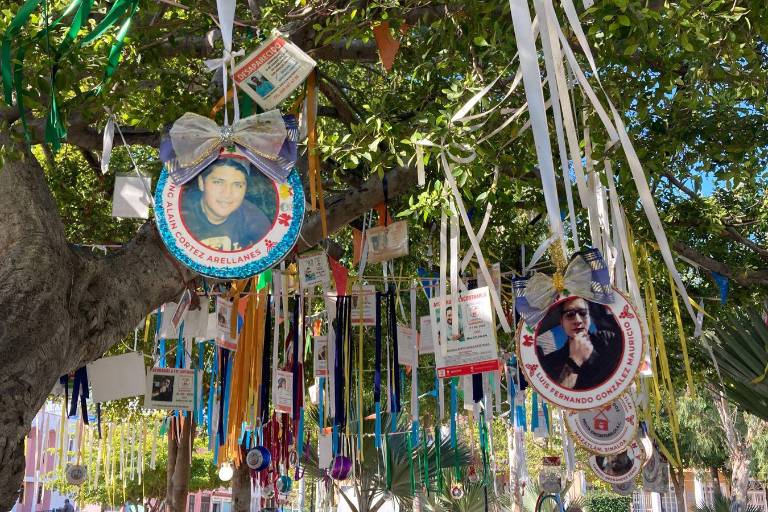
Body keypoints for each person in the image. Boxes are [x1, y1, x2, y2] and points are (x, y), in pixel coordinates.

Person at [181, 158, 273, 251]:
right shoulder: (180, 215)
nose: (227, 193)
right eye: (218, 182)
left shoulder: (255, 220)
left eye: (237, 185)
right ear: (201, 183)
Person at [537, 297, 622, 390]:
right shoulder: (552, 361)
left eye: (583, 313)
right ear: (562, 322)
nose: (578, 320)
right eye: (570, 315)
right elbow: (556, 394)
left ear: (590, 318)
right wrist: (575, 360)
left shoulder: (607, 339)